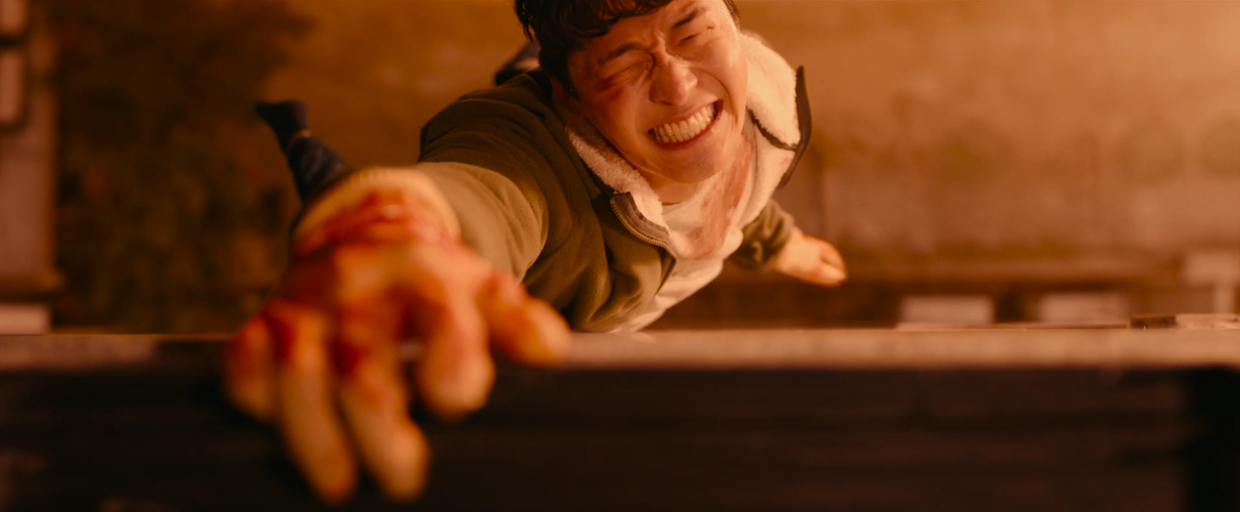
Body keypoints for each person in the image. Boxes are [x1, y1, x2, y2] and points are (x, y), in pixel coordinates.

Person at [224, 0, 847, 503]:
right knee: (329, 183)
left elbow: (735, 197)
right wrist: (389, 223)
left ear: (734, 22)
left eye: (693, 29)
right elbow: (485, 191)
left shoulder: (762, 110)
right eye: (622, 64)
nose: (678, 85)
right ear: (569, 98)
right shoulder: (536, 161)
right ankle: (299, 138)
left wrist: (782, 246)